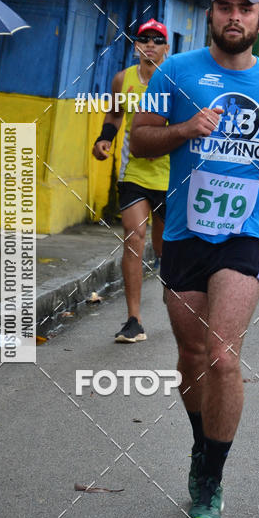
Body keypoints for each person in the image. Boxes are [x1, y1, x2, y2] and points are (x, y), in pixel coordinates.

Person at [130, 0, 259, 518]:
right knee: (193, 357)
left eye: (243, 9)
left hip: (247, 232)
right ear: (211, 17)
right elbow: (140, 138)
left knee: (224, 355)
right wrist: (185, 129)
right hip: (184, 233)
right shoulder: (176, 73)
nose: (234, 16)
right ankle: (202, 446)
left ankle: (211, 478)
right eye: (224, 7)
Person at [92, 19, 170, 342]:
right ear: (136, 45)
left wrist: (161, 141)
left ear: (167, 48)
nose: (149, 44)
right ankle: (133, 320)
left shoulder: (175, 79)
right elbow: (115, 114)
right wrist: (104, 139)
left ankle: (172, 284)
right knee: (133, 237)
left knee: (163, 246)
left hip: (169, 173)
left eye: (156, 40)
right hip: (133, 172)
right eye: (143, 39)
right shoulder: (122, 79)